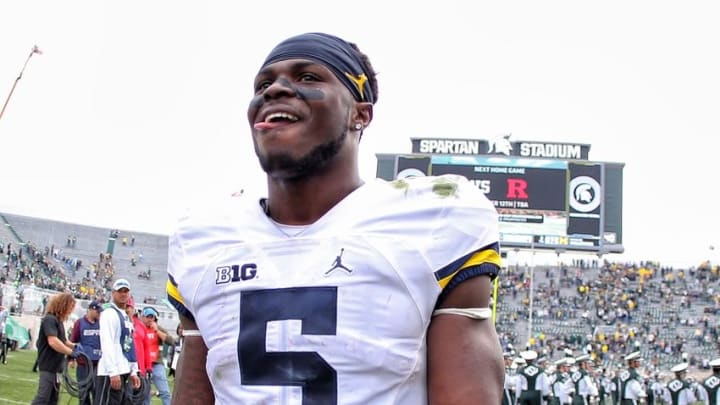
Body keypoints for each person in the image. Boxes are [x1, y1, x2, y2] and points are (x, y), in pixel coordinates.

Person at [166, 31, 504, 404]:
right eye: (263, 83)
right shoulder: (203, 237)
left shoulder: (432, 222)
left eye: (307, 77)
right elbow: (196, 392)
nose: (274, 90)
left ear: (361, 113)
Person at [95, 278, 141, 404]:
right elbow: (107, 343)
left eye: (126, 291)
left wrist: (133, 370)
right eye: (120, 291)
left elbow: (128, 345)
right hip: (111, 371)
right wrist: (112, 371)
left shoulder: (125, 316)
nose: (123, 294)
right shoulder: (109, 314)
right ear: (113, 293)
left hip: (123, 370)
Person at [31, 292, 82, 405]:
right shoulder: (50, 319)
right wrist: (71, 352)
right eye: (70, 307)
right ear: (63, 305)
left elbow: (64, 341)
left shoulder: (59, 322)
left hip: (57, 367)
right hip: (48, 366)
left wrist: (76, 346)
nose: (71, 310)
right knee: (43, 398)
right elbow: (53, 341)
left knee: (53, 399)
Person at [69, 300, 104, 405]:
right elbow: (73, 341)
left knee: (97, 394)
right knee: (83, 394)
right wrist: (71, 358)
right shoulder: (79, 323)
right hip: (83, 364)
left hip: (98, 365)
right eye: (98, 312)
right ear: (91, 310)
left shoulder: (102, 324)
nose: (99, 314)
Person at [141, 306, 172, 405]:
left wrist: (157, 331)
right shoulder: (139, 328)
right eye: (148, 317)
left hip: (157, 363)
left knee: (165, 392)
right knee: (145, 394)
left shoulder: (158, 328)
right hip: (144, 364)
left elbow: (171, 341)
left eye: (152, 317)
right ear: (143, 317)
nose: (150, 319)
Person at [126, 295, 152, 404]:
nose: (127, 309)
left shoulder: (141, 326)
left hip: (140, 369)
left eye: (129, 307)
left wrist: (148, 367)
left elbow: (146, 348)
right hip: (124, 369)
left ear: (133, 308)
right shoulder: (117, 323)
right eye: (125, 306)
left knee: (141, 399)